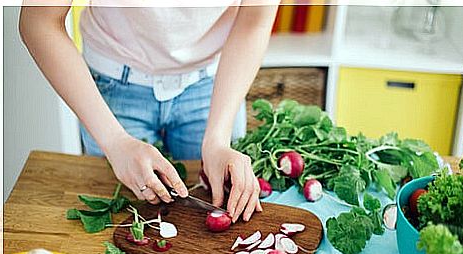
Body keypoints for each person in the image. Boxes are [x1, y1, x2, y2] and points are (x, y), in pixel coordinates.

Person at [19, 1, 279, 222]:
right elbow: (39, 22)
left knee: (212, 205)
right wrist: (115, 141)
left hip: (213, 84)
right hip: (113, 85)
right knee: (121, 216)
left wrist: (218, 139)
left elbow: (254, 20)